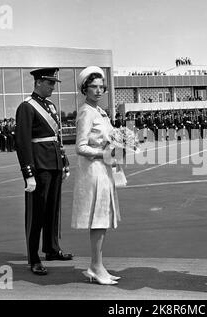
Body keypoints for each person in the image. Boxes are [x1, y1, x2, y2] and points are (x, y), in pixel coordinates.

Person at [15, 68, 73, 276]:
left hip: (54, 163)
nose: (53, 87)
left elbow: (56, 138)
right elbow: (22, 142)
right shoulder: (26, 107)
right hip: (39, 167)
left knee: (52, 210)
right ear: (38, 82)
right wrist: (28, 173)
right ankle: (34, 257)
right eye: (50, 83)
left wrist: (64, 162)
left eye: (54, 83)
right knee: (36, 213)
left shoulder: (51, 106)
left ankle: (51, 248)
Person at [71, 66, 122, 285]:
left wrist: (120, 144)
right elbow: (80, 147)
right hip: (94, 172)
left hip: (104, 169)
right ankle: (95, 266)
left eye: (102, 87)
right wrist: (104, 153)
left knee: (102, 219)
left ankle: (97, 265)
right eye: (94, 87)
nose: (99, 91)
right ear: (85, 88)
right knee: (98, 220)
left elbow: (108, 138)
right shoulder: (86, 112)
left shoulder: (100, 112)